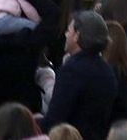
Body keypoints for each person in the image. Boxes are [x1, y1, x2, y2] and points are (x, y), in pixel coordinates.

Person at [45, 11, 121, 140]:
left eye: (69, 30)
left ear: (77, 35)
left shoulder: (72, 70)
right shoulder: (107, 70)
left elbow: (55, 117)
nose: (66, 34)